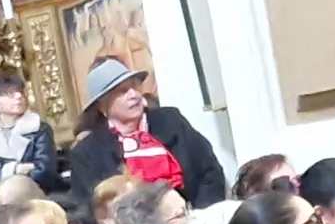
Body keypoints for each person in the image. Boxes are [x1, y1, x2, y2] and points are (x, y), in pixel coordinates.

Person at [64, 58, 225, 197]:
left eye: (134, 87)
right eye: (122, 91)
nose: (134, 94)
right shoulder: (87, 153)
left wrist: (198, 217)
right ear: (101, 106)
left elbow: (210, 173)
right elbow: (93, 210)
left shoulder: (171, 121)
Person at [0, 71, 61, 190]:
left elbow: (44, 172)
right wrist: (15, 169)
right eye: (9, 94)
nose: (18, 97)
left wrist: (4, 176)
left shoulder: (39, 129)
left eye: (20, 92)